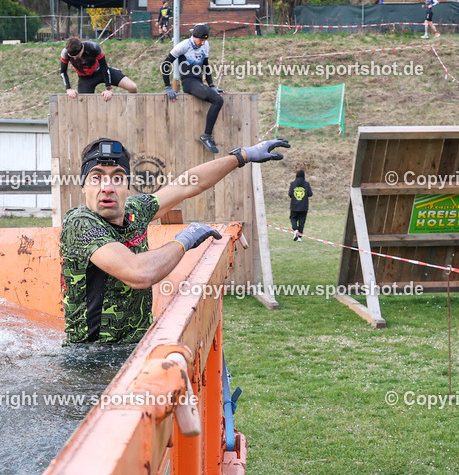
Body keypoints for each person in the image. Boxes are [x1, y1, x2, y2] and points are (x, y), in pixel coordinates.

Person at [60, 136, 290, 344]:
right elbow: (138, 273)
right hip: (90, 358)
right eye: (96, 178)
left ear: (127, 185)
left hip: (136, 347)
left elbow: (188, 183)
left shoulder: (135, 211)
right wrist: (184, 241)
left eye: (117, 178)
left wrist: (242, 156)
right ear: (83, 187)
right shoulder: (79, 222)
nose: (107, 188)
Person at [162, 24, 224, 153]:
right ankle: (206, 136)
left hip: (198, 81)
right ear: (193, 37)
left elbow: (206, 66)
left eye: (204, 40)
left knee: (218, 99)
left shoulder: (205, 45)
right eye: (200, 40)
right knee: (218, 100)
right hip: (188, 82)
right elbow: (165, 64)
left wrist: (212, 86)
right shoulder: (183, 45)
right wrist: (168, 87)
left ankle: (206, 136)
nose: (202, 43)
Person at [60, 38, 137, 102]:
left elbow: (104, 67)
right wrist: (68, 89)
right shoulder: (65, 53)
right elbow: (63, 71)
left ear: (82, 48)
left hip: (101, 71)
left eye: (77, 56)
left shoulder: (93, 47)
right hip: (86, 79)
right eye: (72, 57)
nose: (75, 58)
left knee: (132, 87)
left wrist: (108, 88)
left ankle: (132, 109)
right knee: (83, 104)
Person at [288, 169, 313, 242]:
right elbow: (310, 194)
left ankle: (295, 229)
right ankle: (299, 237)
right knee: (302, 222)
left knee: (293, 218)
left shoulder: (292, 184)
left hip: (294, 206)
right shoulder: (307, 184)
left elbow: (290, 194)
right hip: (303, 207)